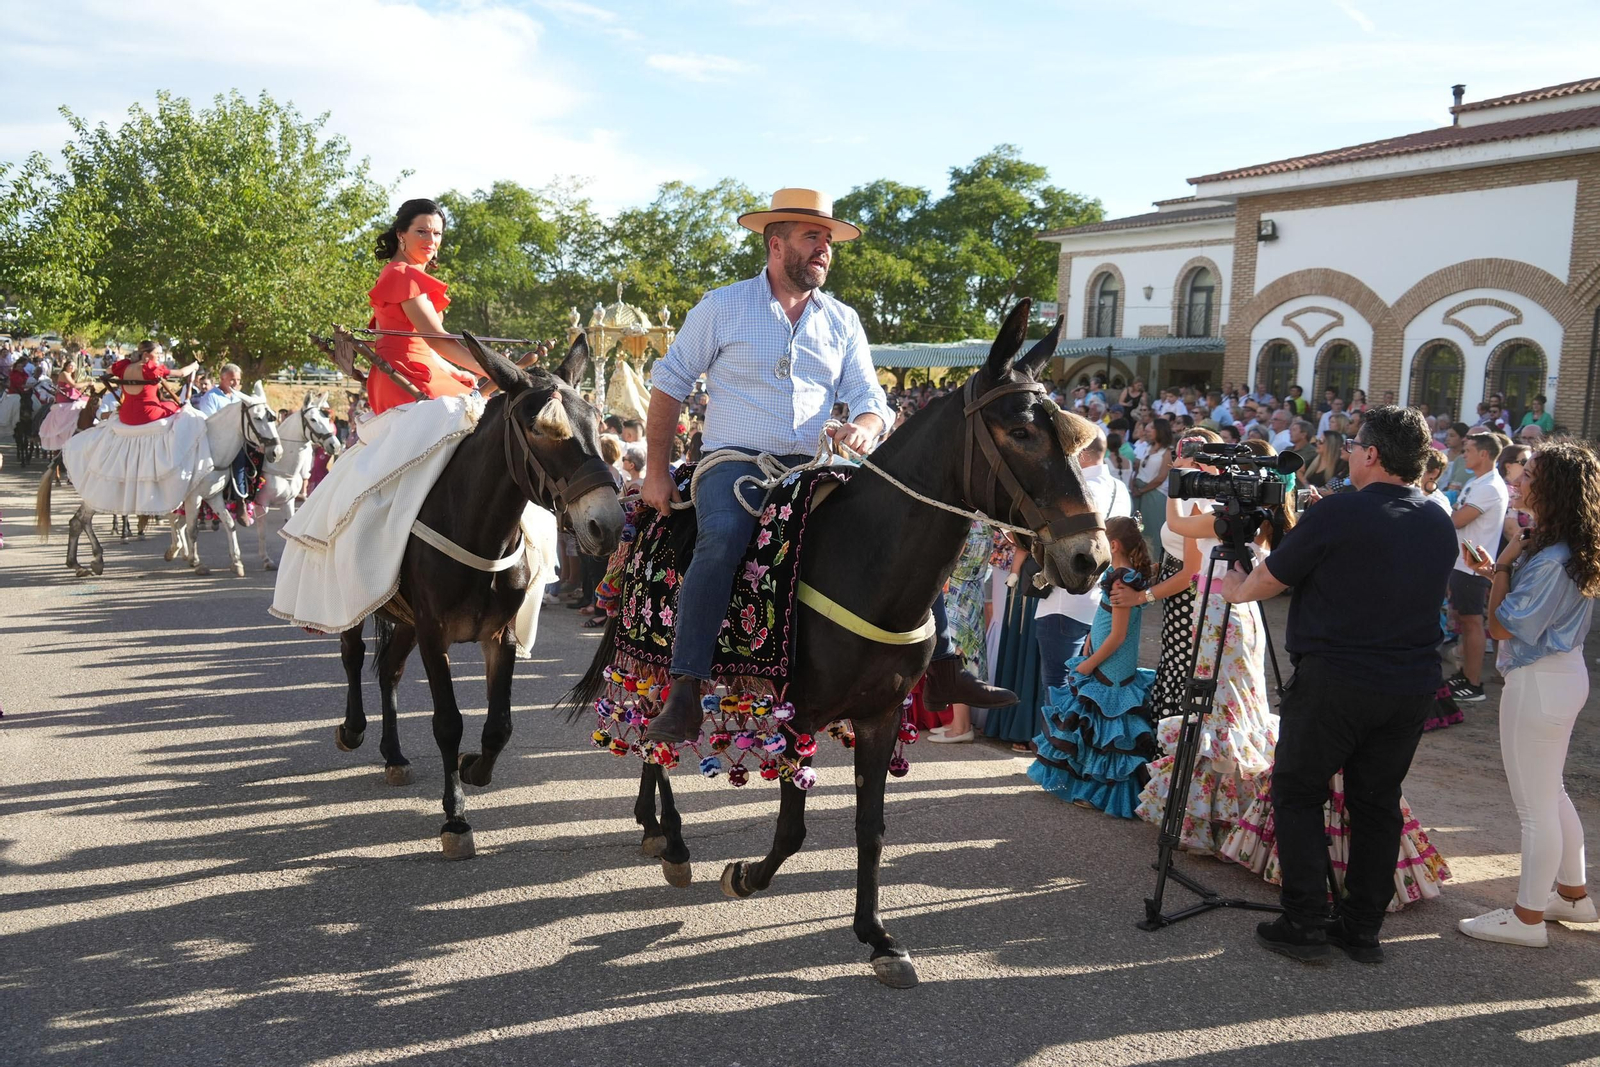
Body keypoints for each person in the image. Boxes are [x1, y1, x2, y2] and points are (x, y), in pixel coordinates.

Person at [640, 189, 1003, 743]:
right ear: (775, 242)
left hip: (815, 467)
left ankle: (944, 668)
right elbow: (668, 384)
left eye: (828, 241)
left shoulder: (842, 320)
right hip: (734, 464)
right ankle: (686, 689)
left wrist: (865, 426)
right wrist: (657, 473)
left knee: (902, 530)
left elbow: (871, 400)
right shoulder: (722, 305)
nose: (824, 250)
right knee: (722, 541)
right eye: (813, 237)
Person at [1220, 406, 1456, 962]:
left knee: (1297, 790)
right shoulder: (1437, 517)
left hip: (1340, 679)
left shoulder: (1341, 512)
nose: (1347, 452)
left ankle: (1304, 919)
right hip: (1411, 683)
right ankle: (1361, 927)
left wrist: (1234, 584)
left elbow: (1264, 583)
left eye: (1353, 445)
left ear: (1372, 454)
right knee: (1376, 802)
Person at [1456, 441, 1600, 946]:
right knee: (1550, 793)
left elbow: (1498, 628)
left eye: (1530, 474)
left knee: (1534, 807)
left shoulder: (1549, 556)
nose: (1518, 480)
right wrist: (1504, 565)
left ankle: (1528, 918)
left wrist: (1500, 566)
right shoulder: (1568, 547)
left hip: (1540, 681)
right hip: (1559, 676)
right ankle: (1573, 896)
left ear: (1553, 487)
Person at [1129, 433, 1277, 857]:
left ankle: (1213, 821)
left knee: (1215, 711)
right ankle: (1236, 815)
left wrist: (1177, 480)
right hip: (1241, 611)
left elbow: (1176, 525)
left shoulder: (1225, 516)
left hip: (1216, 612)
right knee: (1236, 707)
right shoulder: (1262, 514)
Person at [1028, 515, 1157, 816]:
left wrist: (1091, 664)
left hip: (1111, 667)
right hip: (1099, 656)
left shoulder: (1124, 580)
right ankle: (1085, 786)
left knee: (1108, 731)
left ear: (1112, 544)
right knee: (1091, 728)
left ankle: (1104, 793)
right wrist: (1089, 638)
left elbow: (1119, 635)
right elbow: (1106, 619)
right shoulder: (1117, 573)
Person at [364, 198, 487, 415]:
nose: (431, 239)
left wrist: (454, 371)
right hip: (407, 380)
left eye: (437, 233)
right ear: (401, 234)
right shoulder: (404, 274)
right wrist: (491, 367)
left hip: (400, 376)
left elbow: (421, 345)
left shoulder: (396, 271)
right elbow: (436, 339)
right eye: (422, 231)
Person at [1447, 433, 1510, 703]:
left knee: (1473, 623)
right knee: (1464, 619)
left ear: (1484, 454)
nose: (1464, 454)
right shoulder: (1477, 482)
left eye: (1469, 449)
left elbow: (1458, 519)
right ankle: (1465, 675)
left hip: (1474, 567)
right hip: (1464, 563)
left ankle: (1473, 685)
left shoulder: (1490, 486)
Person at [927, 521, 994, 744]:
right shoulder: (986, 525)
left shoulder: (967, 525)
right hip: (973, 590)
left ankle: (961, 727)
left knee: (956, 657)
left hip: (957, 592)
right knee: (964, 656)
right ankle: (957, 723)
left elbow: (952, 558)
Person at [110, 340, 183, 425]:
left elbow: (108, 370)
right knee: (173, 406)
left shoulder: (124, 367)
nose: (159, 356)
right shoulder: (150, 369)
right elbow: (181, 373)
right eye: (156, 353)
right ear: (145, 354)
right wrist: (194, 366)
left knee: (167, 403)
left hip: (125, 415)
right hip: (147, 414)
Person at [1131, 417, 1173, 557]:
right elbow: (1137, 468)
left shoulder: (1167, 452)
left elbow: (1161, 477)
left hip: (1153, 494)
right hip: (1139, 492)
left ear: (1160, 431)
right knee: (1137, 530)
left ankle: (1154, 562)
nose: (1147, 431)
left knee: (1152, 531)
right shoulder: (1146, 447)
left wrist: (1142, 490)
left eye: (1151, 428)